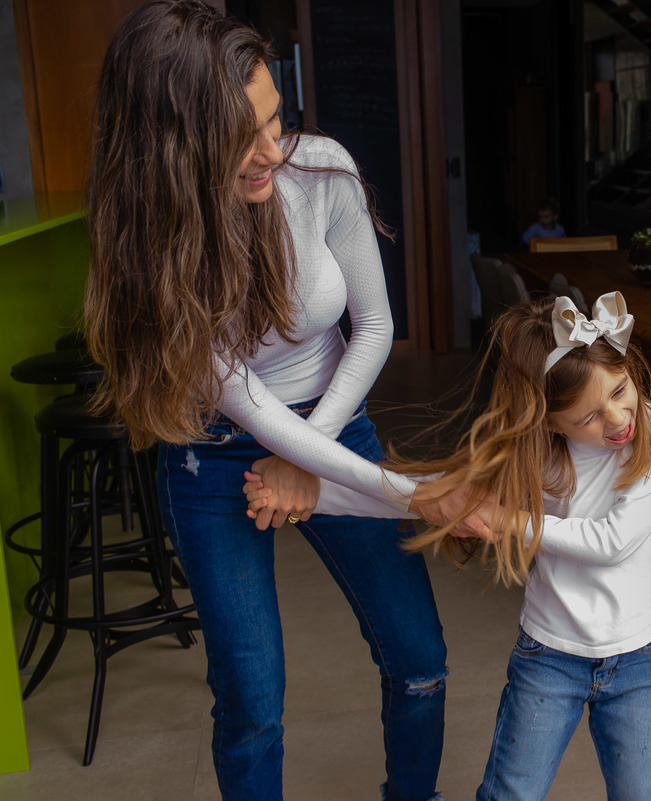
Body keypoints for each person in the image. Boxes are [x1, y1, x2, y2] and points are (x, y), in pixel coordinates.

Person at [82, 2, 480, 799]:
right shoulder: (157, 248)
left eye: (275, 118)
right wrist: (424, 494)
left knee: (419, 661)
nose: (273, 150)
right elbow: (249, 403)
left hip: (334, 422)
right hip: (213, 453)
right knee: (253, 700)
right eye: (243, 135)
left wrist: (311, 460)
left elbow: (376, 329)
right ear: (177, 149)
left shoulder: (320, 169)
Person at [246, 291, 651, 800]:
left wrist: (504, 518)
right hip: (549, 658)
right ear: (548, 421)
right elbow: (424, 495)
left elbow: (614, 542)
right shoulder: (536, 458)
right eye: (588, 418)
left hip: (638, 662)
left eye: (620, 389)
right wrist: (313, 492)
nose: (616, 419)